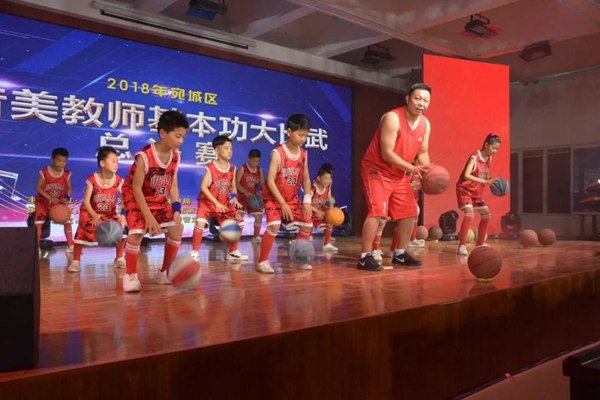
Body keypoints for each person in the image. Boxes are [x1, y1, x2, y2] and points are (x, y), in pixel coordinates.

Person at [358, 83, 432, 271]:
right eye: (418, 98)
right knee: (377, 212)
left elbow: (422, 152)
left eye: (426, 100)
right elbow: (387, 153)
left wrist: (428, 171)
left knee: (410, 212)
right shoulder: (392, 118)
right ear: (407, 98)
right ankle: (364, 257)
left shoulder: (425, 124)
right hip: (376, 170)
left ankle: (400, 253)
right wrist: (412, 169)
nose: (421, 103)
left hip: (398, 172)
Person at [120, 110, 189, 293]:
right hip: (135, 197)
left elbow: (173, 185)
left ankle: (164, 272)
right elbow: (136, 188)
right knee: (136, 233)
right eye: (178, 136)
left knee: (176, 229)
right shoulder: (144, 156)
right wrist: (148, 216)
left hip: (158, 199)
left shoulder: (176, 156)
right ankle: (130, 275)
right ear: (162, 133)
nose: (181, 141)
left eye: (183, 137)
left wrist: (176, 210)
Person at [256, 114, 313, 273]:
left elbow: (306, 179)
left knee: (307, 224)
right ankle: (262, 262)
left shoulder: (304, 154)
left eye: (306, 135)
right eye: (300, 135)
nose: (303, 139)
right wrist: (282, 203)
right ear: (289, 132)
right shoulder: (278, 153)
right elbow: (270, 181)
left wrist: (307, 200)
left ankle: (298, 259)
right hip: (274, 199)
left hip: (292, 199)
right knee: (274, 226)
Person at [69, 146, 126, 272]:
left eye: (117, 162)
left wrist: (123, 214)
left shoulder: (119, 181)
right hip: (90, 212)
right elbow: (86, 201)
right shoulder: (92, 179)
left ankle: (119, 259)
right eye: (113, 161)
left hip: (109, 214)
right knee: (82, 232)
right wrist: (94, 216)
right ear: (102, 163)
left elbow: (126, 199)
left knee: (120, 230)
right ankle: (76, 261)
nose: (116, 164)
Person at [190, 135, 247, 260]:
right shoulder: (211, 168)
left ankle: (232, 251)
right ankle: (194, 251)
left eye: (231, 148)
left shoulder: (232, 168)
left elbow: (233, 186)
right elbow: (203, 187)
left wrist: (235, 198)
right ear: (217, 150)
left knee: (241, 222)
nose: (229, 151)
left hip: (224, 203)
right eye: (226, 148)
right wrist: (215, 202)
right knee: (200, 223)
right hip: (207, 203)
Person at [456, 133, 502, 256]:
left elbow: (483, 175)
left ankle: (480, 243)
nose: (495, 151)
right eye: (493, 148)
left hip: (476, 192)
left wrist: (490, 180)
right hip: (465, 190)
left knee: (486, 215)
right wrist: (485, 182)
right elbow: (466, 175)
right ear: (486, 145)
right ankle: (462, 245)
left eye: (497, 149)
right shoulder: (474, 158)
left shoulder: (489, 158)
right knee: (469, 213)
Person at [34, 147, 74, 254]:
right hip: (43, 202)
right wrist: (49, 197)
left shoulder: (67, 174)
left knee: (67, 221)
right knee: (38, 223)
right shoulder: (45, 172)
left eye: (64, 161)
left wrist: (66, 198)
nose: (62, 163)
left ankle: (70, 245)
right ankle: (36, 247)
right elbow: (38, 187)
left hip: (58, 202)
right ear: (52, 159)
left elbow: (70, 188)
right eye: (59, 160)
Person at [235, 148, 265, 243]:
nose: (255, 163)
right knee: (239, 219)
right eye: (253, 161)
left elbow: (262, 183)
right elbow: (236, 183)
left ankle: (256, 237)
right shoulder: (242, 169)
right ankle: (235, 239)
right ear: (249, 159)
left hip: (253, 198)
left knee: (259, 217)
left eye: (257, 161)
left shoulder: (259, 170)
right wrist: (245, 192)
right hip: (242, 198)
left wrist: (261, 191)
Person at [310, 163, 338, 252]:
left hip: (320, 214)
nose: (328, 181)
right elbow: (306, 205)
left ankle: (327, 244)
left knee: (330, 219)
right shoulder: (313, 189)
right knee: (307, 217)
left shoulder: (327, 189)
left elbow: (330, 201)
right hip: (311, 214)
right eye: (326, 178)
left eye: (329, 179)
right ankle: (306, 239)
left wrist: (331, 212)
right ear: (319, 178)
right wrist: (316, 211)